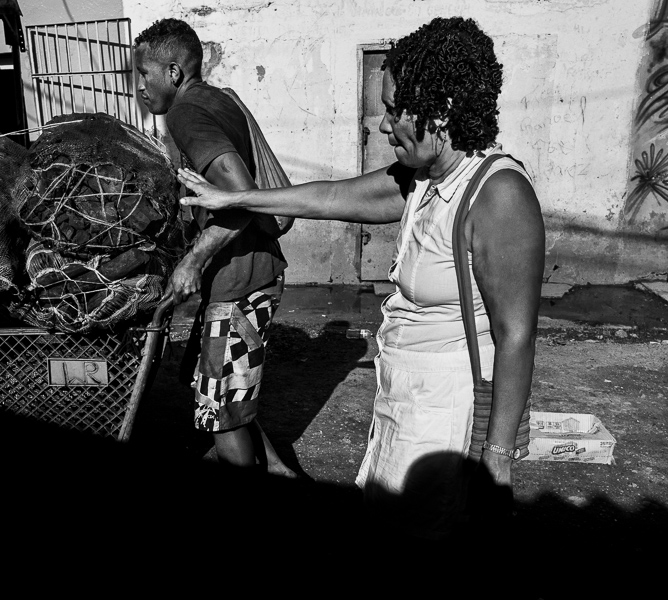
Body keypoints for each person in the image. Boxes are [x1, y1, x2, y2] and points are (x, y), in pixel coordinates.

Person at [177, 16, 545, 537]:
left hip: (447, 414)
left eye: (394, 111)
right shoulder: (421, 181)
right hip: (404, 396)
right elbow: (329, 196)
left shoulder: (497, 194)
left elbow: (516, 335)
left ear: (438, 113)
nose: (382, 124)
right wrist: (236, 197)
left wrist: (497, 459)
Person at [134, 18, 297, 477]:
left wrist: (194, 259)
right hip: (250, 273)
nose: (140, 87)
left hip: (240, 281)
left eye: (144, 74)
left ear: (173, 71)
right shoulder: (217, 99)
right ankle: (281, 470)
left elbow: (241, 197)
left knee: (220, 417)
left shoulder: (185, 114)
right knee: (216, 388)